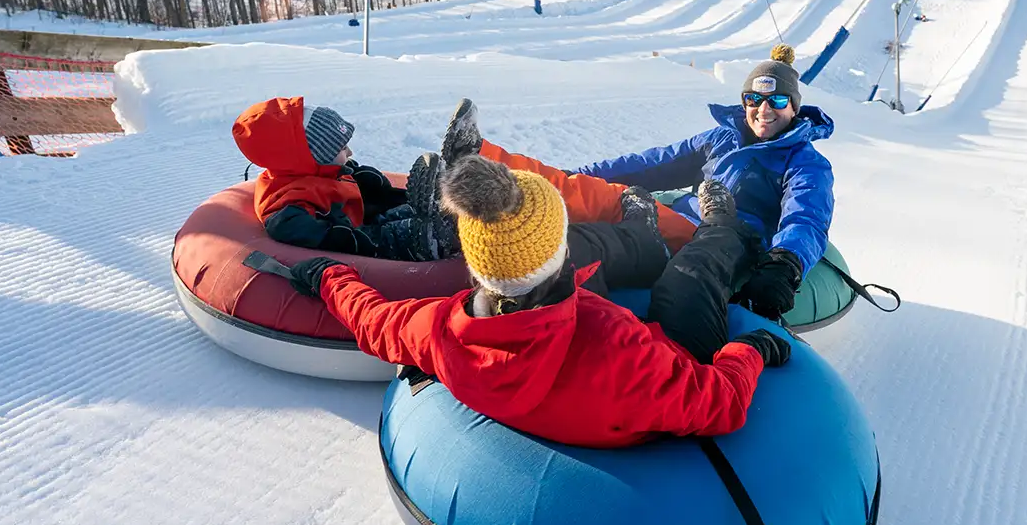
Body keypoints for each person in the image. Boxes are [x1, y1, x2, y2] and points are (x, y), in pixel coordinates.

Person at [284, 158, 791, 448]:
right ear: (559, 250)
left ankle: (642, 233)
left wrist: (330, 277)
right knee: (691, 274)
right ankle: (721, 227)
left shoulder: (440, 328)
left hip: (545, 328)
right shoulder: (615, 345)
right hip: (656, 358)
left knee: (602, 253)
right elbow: (719, 403)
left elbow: (374, 322)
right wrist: (750, 352)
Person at [440, 44, 834, 360]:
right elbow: (652, 165)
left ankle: (484, 164)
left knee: (595, 209)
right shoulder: (722, 139)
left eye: (777, 101)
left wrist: (785, 264)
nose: (762, 110)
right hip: (675, 222)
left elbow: (806, 218)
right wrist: (581, 172)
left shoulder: (805, 163)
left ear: (794, 107)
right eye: (753, 98)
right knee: (590, 201)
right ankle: (476, 184)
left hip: (718, 240)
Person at [232, 96, 452, 261]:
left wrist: (375, 186)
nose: (350, 153)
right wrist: (345, 235)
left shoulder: (319, 170)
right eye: (341, 148)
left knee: (404, 209)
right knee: (401, 234)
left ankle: (438, 202)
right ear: (314, 156)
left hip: (364, 221)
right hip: (363, 241)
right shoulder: (285, 203)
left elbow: (349, 186)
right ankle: (435, 238)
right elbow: (299, 231)